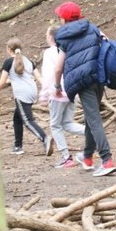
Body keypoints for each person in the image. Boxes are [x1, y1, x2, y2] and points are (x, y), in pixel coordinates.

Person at [53, 2, 116, 177]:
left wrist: (58, 86)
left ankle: (107, 159)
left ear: (64, 19)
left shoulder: (64, 36)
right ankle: (87, 156)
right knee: (91, 116)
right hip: (99, 76)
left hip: (83, 80)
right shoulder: (92, 27)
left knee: (94, 118)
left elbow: (59, 67)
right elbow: (108, 42)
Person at [0, 37, 54, 156]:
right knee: (17, 118)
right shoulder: (28, 61)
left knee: (27, 120)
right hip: (32, 91)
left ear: (9, 49)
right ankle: (18, 146)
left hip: (22, 94)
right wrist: (47, 89)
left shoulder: (8, 62)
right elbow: (38, 77)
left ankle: (45, 139)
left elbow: (2, 82)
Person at [40, 25, 86, 168]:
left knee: (55, 125)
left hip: (57, 92)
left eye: (47, 35)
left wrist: (44, 93)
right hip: (71, 91)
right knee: (66, 123)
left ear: (51, 37)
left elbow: (49, 74)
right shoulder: (69, 49)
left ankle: (66, 157)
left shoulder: (49, 53)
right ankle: (92, 132)